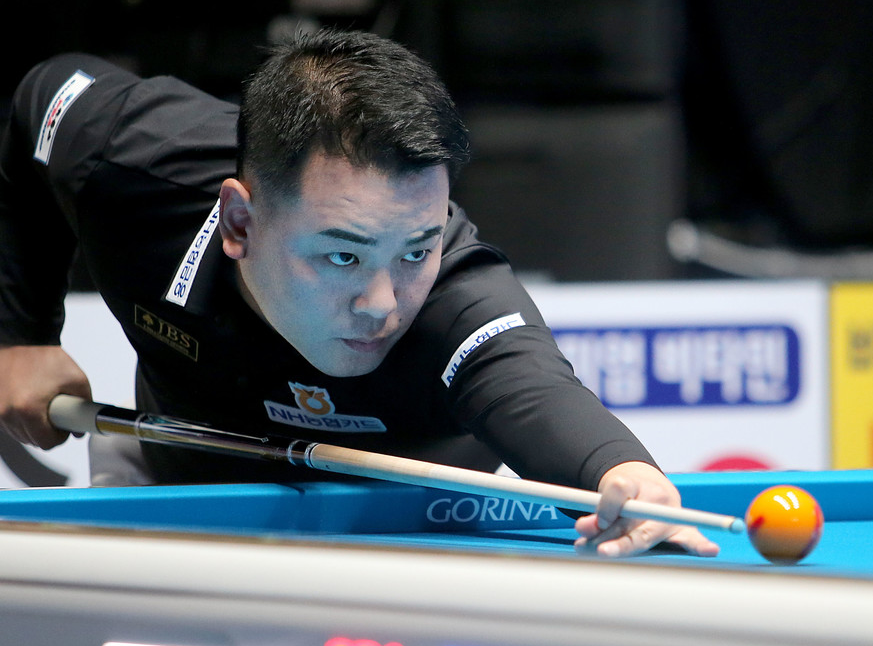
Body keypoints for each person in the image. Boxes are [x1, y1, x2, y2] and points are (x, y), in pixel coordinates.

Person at [0, 29, 718, 558]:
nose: (383, 302)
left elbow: (532, 389)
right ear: (241, 222)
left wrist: (626, 475)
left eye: (416, 250)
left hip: (415, 545)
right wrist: (20, 332)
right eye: (343, 255)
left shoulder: (459, 301)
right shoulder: (132, 161)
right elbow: (44, 98)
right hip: (178, 495)